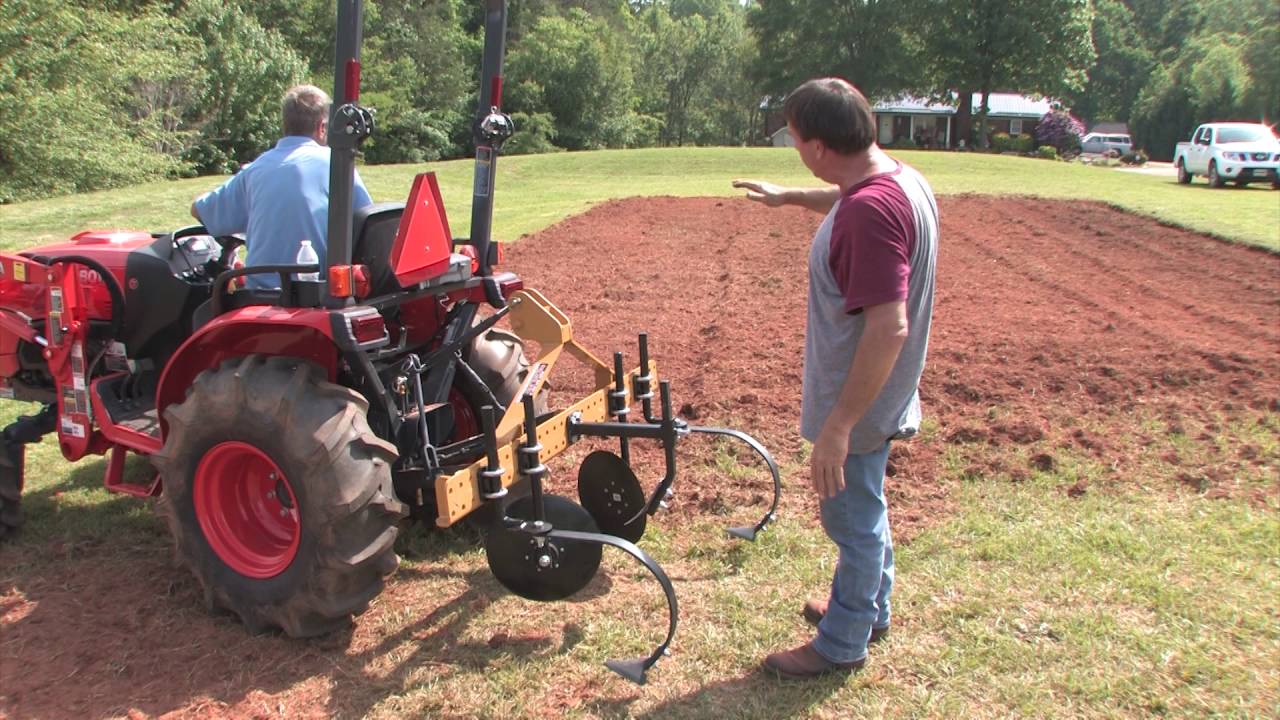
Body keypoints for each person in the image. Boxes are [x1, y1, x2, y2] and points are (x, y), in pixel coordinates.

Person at [732, 77, 938, 679]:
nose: (795, 149)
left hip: (862, 400)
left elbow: (888, 327)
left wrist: (839, 426)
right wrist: (789, 197)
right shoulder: (897, 179)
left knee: (851, 521)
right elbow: (853, 202)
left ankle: (843, 640)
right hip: (886, 391)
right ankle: (869, 608)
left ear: (821, 147)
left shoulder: (870, 212)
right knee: (865, 510)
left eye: (796, 141)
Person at [190, 84, 373, 290]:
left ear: (285, 124)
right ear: (322, 127)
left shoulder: (255, 170)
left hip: (262, 295)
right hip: (319, 290)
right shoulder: (336, 165)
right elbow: (367, 221)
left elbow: (199, 210)